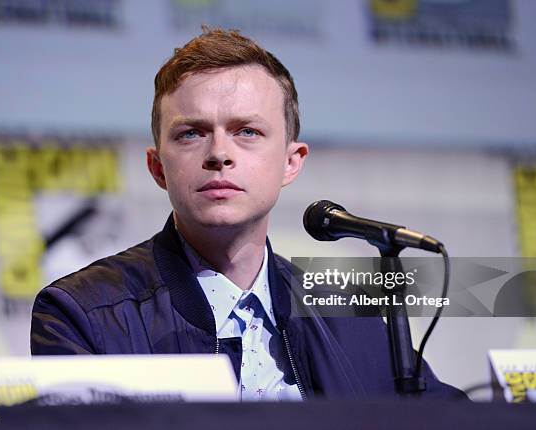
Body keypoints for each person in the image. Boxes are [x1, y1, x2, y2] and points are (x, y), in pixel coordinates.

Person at [31, 27, 464, 401]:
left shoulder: (350, 320)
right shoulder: (81, 314)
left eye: (247, 132)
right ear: (158, 168)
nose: (219, 154)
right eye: (191, 133)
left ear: (292, 162)